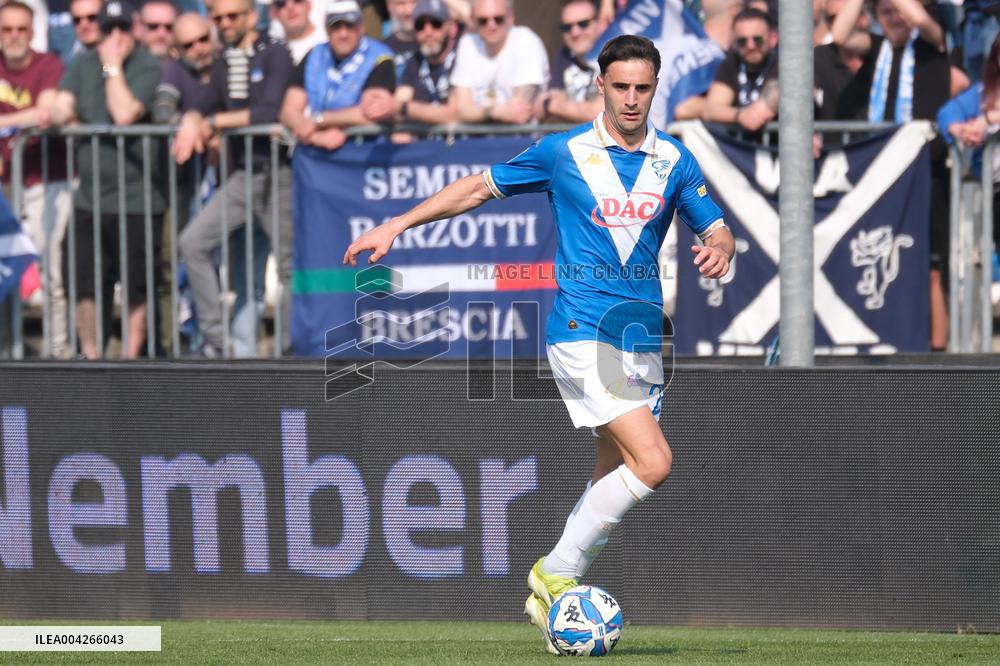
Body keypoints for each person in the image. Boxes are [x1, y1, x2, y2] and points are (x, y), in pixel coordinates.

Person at [344, 34, 734, 654]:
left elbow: (717, 229)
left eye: (643, 87)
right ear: (600, 86)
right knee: (654, 462)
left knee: (616, 470)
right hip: (581, 331)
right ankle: (556, 572)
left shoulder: (675, 160)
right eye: (621, 86)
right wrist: (398, 223)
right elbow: (477, 187)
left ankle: (552, 594)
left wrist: (719, 249)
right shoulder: (563, 152)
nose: (632, 99)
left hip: (642, 337)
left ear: (656, 88)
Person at [173, 0, 295, 357]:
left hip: (278, 173)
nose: (224, 23)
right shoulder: (225, 60)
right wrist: (192, 120)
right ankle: (217, 342)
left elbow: (270, 111)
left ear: (251, 16)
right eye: (218, 17)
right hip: (241, 176)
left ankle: (291, 351)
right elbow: (204, 101)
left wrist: (213, 123)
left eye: (232, 16)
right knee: (193, 243)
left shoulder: (275, 52)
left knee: (288, 267)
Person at [48, 0, 165, 359]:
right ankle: (91, 357)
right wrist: (59, 112)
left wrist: (112, 67)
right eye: (108, 29)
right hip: (90, 198)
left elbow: (124, 113)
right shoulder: (83, 63)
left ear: (134, 30)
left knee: (137, 286)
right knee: (82, 281)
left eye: (122, 28)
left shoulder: (149, 66)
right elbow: (62, 105)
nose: (115, 37)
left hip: (138, 199)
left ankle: (130, 360)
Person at [832, 0, 952, 350]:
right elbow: (840, 35)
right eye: (885, 12)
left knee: (932, 264)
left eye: (900, 9)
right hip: (881, 177)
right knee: (881, 258)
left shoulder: (931, 45)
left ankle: (937, 353)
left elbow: (922, 21)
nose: (896, 17)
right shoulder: (877, 49)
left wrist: (903, 7)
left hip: (926, 173)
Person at [0, 0, 72, 358]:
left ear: (32, 32)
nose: (14, 36)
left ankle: (57, 350)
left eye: (21, 29)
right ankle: (7, 349)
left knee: (52, 273)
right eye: (6, 29)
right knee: (4, 270)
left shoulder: (49, 64)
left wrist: (5, 123)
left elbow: (45, 111)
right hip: (5, 186)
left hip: (46, 179)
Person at [280, 0, 396, 150]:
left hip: (364, 150)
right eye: (336, 27)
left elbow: (372, 112)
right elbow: (289, 110)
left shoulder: (379, 57)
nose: (343, 34)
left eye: (350, 26)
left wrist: (320, 120)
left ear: (361, 28)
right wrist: (315, 137)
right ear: (327, 30)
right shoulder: (314, 55)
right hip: (317, 150)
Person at [449, 0, 548, 125]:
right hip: (475, 135)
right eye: (483, 21)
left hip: (519, 134)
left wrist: (478, 112)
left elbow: (520, 112)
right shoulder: (468, 43)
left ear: (511, 17)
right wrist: (496, 111)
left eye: (498, 19)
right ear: (473, 21)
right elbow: (461, 111)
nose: (491, 26)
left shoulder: (526, 41)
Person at [704, 6, 779, 133]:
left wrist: (755, 113)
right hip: (740, 143)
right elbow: (711, 110)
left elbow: (762, 111)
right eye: (742, 41)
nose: (750, 46)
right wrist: (739, 115)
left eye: (757, 39)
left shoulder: (784, 64)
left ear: (773, 39)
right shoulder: (730, 63)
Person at [536, 0, 602, 124]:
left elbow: (602, 114)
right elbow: (538, 111)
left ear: (600, 23)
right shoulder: (564, 55)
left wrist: (553, 105)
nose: (575, 32)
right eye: (567, 27)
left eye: (583, 24)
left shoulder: (617, 55)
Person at [394, 0, 459, 124]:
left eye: (436, 24)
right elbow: (396, 110)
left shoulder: (462, 58)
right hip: (425, 136)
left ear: (452, 28)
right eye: (420, 25)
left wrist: (406, 108)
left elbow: (454, 113)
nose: (428, 32)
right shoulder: (414, 61)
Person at [270, 0, 325, 64]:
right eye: (281, 3)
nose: (290, 7)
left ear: (308, 5)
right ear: (274, 13)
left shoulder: (329, 40)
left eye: (297, 0)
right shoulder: (270, 54)